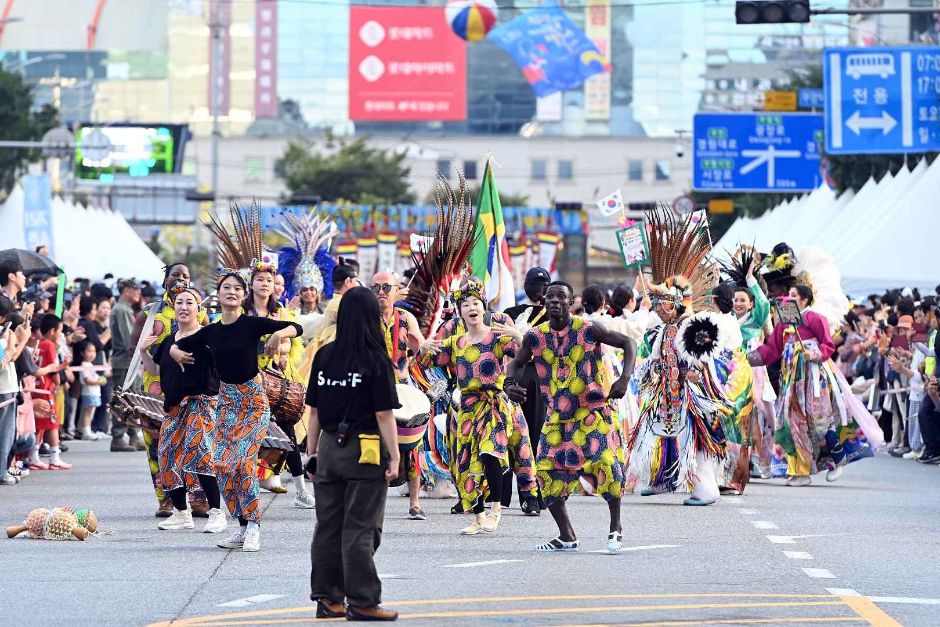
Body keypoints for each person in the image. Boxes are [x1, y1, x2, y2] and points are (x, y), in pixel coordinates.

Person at [171, 271, 302, 552]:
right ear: (217, 296)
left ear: (244, 296)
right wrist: (174, 353)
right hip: (227, 404)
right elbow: (179, 343)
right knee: (222, 464)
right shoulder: (212, 331)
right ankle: (242, 526)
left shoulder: (252, 324)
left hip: (253, 403)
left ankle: (254, 526)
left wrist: (279, 332)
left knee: (243, 463)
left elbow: (296, 328)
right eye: (225, 288)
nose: (231, 291)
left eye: (236, 288)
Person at [507, 282, 635, 553]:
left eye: (561, 297)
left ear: (570, 301)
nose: (555, 301)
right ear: (544, 303)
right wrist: (509, 384)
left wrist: (624, 379)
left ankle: (616, 528)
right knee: (545, 472)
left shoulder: (588, 329)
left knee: (607, 465)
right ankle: (567, 536)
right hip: (557, 416)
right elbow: (517, 362)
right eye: (550, 297)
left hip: (592, 412)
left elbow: (628, 342)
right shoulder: (535, 336)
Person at [305, 286, 400, 622]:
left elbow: (313, 412)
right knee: (361, 527)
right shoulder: (376, 360)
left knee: (328, 526)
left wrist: (312, 453)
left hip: (329, 446)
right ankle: (362, 601)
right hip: (366, 448)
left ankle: (328, 599)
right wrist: (396, 455)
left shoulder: (324, 356)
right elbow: (384, 415)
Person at [422, 278, 531, 534]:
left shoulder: (498, 336)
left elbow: (529, 354)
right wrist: (423, 346)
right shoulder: (456, 343)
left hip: (494, 405)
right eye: (465, 304)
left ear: (483, 307)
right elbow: (426, 360)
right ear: (459, 311)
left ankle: (495, 511)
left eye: (475, 303)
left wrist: (518, 335)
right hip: (467, 408)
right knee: (465, 463)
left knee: (489, 453)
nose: (471, 307)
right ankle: (478, 516)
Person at [748, 285, 884, 486]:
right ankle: (800, 470)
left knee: (818, 420)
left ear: (804, 300)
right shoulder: (785, 321)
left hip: (813, 377)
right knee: (791, 421)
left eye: (794, 295)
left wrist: (814, 353)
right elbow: (773, 349)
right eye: (789, 294)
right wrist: (748, 358)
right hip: (791, 381)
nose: (789, 298)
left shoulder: (814, 318)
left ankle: (837, 457)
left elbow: (827, 344)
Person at [140, 283, 227, 533]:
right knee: (166, 455)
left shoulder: (209, 338)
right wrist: (144, 350)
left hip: (202, 404)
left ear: (198, 309)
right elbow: (155, 370)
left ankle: (216, 512)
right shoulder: (168, 340)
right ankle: (181, 512)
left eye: (189, 302)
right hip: (174, 407)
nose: (183, 306)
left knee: (199, 452)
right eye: (179, 302)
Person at [131, 263, 210, 518]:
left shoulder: (201, 312)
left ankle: (198, 498)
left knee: (194, 443)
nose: (181, 279)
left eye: (186, 276)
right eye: (175, 275)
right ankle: (165, 499)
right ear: (165, 280)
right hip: (155, 388)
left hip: (191, 388)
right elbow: (135, 353)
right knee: (157, 445)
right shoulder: (149, 312)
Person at [244, 261, 314, 508]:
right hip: (248, 382)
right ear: (251, 284)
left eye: (269, 281)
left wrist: (279, 340)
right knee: (248, 436)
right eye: (260, 280)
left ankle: (301, 491)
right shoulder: (243, 312)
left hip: (276, 383)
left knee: (288, 433)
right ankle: (246, 492)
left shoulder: (280, 312)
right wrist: (267, 346)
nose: (265, 284)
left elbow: (293, 340)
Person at [371, 270, 428, 520]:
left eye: (386, 287)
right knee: (374, 446)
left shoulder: (405, 318)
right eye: (376, 288)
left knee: (412, 446)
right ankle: (375, 503)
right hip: (373, 389)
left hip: (403, 388)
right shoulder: (365, 317)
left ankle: (415, 502)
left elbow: (422, 350)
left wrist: (420, 346)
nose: (381, 293)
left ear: (397, 290)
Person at [502, 267, 550, 506]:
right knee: (512, 433)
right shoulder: (510, 313)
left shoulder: (554, 315)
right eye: (535, 284)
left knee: (536, 433)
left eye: (542, 284)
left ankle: (534, 492)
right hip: (515, 374)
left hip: (540, 377)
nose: (538, 289)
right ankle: (502, 494)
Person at [30, 314, 72, 470]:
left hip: (35, 387)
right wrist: (62, 369)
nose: (61, 334)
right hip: (46, 389)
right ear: (53, 331)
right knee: (52, 424)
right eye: (60, 330)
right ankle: (55, 457)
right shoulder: (50, 346)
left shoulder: (37, 344)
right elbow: (54, 374)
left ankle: (33, 456)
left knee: (38, 425)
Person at [109, 278, 144, 452]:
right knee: (123, 399)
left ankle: (132, 435)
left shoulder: (124, 309)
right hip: (125, 361)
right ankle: (118, 436)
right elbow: (127, 340)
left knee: (131, 399)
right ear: (126, 290)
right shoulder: (122, 310)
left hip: (128, 362)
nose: (138, 292)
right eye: (135, 289)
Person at [75, 340, 108, 440]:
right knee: (88, 413)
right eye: (89, 351)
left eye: (93, 351)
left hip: (94, 393)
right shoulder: (84, 365)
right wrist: (99, 381)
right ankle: (86, 432)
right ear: (82, 353)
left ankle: (86, 430)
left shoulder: (91, 365)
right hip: (89, 392)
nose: (92, 354)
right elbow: (87, 380)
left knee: (90, 413)